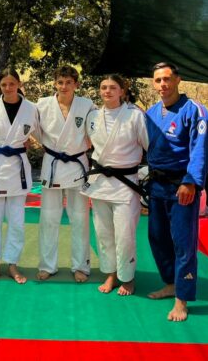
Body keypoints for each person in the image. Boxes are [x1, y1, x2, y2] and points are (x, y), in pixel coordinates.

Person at [146, 62, 208, 321]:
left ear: (177, 80)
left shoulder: (194, 110)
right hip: (157, 185)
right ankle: (170, 283)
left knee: (183, 243)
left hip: (182, 186)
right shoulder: (151, 112)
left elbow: (201, 149)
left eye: (167, 79)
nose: (162, 84)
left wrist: (191, 182)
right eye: (157, 80)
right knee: (157, 237)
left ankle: (182, 300)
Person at [82, 74, 148, 296]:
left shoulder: (135, 115)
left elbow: (148, 145)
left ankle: (127, 277)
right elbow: (86, 144)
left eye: (112, 87)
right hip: (100, 182)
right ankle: (110, 273)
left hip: (125, 184)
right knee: (103, 233)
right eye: (103, 87)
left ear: (122, 90)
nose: (107, 91)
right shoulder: (92, 116)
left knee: (124, 235)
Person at [35, 66, 94, 283]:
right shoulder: (42, 105)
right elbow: (35, 131)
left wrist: (82, 147)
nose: (64, 86)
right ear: (54, 83)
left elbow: (94, 132)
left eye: (69, 82)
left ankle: (80, 266)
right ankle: (47, 265)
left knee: (80, 218)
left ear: (76, 84)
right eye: (60, 82)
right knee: (49, 218)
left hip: (77, 165)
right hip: (52, 164)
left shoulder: (87, 105)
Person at [0, 68, 39, 284]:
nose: (8, 88)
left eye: (12, 83)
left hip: (17, 168)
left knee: (16, 222)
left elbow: (42, 134)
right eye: (3, 84)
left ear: (19, 84)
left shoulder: (31, 108)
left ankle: (13, 265)